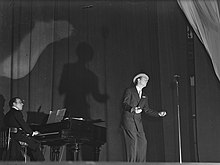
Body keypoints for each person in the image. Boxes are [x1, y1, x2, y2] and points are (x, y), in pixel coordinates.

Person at [121, 73, 166, 162]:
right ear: (138, 80)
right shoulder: (130, 91)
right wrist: (133, 109)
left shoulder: (144, 96)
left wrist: (158, 114)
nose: (147, 81)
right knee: (132, 142)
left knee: (143, 142)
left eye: (147, 80)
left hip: (138, 122)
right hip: (129, 120)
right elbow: (124, 104)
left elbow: (147, 110)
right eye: (145, 79)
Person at [4, 97, 45, 161]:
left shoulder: (8, 114)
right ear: (14, 104)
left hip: (10, 137)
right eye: (20, 102)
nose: (22, 104)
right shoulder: (17, 113)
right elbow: (23, 124)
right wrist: (32, 133)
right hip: (17, 137)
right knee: (35, 145)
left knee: (31, 146)